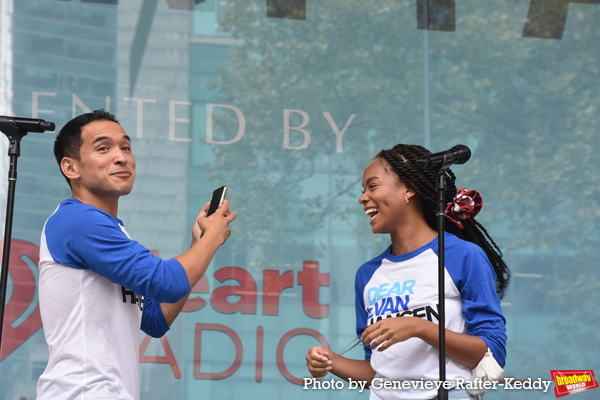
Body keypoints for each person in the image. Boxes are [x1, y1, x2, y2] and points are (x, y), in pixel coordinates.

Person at [36, 110, 237, 400]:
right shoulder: (77, 221)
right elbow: (168, 282)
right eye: (104, 148)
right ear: (71, 168)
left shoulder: (110, 229)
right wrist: (213, 238)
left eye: (126, 147)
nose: (122, 157)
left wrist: (201, 243)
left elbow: (154, 318)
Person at [305, 144, 509, 400]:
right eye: (363, 190)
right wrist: (330, 361)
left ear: (409, 188)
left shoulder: (461, 256)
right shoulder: (367, 275)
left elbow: (491, 353)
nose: (362, 198)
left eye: (373, 186)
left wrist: (419, 327)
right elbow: (378, 373)